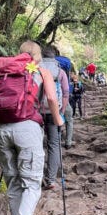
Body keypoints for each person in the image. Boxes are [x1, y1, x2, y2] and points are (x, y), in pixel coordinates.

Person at [0, 40, 63, 215]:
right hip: (27, 129)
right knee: (32, 184)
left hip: (1, 128)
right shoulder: (40, 71)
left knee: (14, 183)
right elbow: (51, 97)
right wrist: (58, 120)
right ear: (38, 55)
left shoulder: (5, 71)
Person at [38, 45, 69, 190]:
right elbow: (65, 93)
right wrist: (61, 111)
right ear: (54, 56)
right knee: (54, 145)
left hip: (35, 112)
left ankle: (35, 176)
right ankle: (50, 180)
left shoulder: (35, 68)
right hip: (53, 112)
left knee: (36, 143)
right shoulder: (60, 72)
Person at [55, 51, 75, 148]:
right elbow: (66, 88)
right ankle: (68, 142)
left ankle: (56, 139)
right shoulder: (65, 63)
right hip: (62, 96)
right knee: (69, 120)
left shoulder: (44, 64)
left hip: (48, 97)